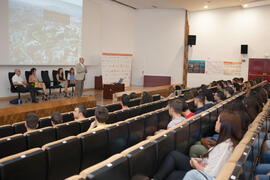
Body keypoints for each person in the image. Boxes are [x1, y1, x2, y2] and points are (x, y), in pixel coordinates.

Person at [152, 110, 242, 180]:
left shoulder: (225, 147)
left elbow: (211, 174)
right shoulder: (227, 141)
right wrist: (201, 160)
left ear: (224, 126)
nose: (216, 122)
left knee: (173, 175)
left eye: (218, 121)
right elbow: (213, 163)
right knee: (173, 155)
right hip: (203, 166)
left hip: (203, 174)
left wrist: (196, 165)